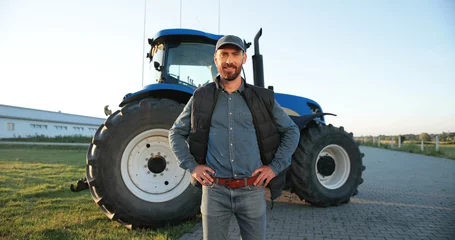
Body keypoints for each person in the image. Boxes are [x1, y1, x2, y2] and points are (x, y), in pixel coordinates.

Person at [169, 34, 300, 240]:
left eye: (234, 54)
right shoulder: (200, 97)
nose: (229, 60)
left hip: (252, 190)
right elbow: (175, 132)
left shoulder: (262, 98)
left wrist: (274, 167)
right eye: (224, 55)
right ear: (216, 59)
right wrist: (192, 166)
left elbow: (292, 131)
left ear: (244, 59)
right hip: (214, 191)